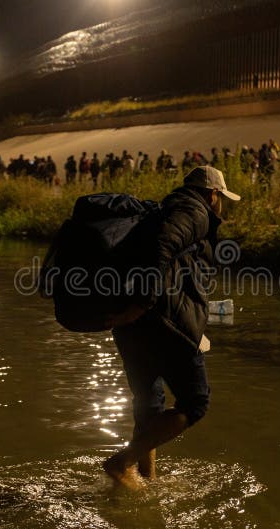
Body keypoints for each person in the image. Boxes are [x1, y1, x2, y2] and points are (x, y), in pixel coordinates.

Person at [102, 165, 241, 489]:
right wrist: (144, 303)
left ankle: (146, 479)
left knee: (149, 406)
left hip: (133, 322)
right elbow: (162, 247)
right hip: (162, 321)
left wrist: (135, 309)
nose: (220, 205)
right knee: (195, 402)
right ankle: (122, 463)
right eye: (221, 198)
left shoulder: (164, 209)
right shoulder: (195, 211)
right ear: (213, 195)